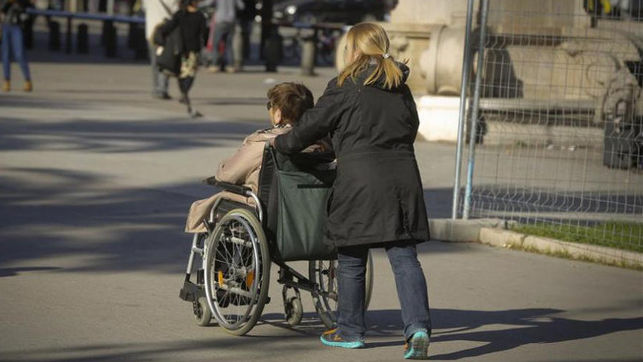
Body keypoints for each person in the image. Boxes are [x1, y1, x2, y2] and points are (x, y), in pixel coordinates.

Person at [272, 23, 432, 360]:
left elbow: (312, 125)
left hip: (360, 181)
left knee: (351, 258)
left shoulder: (346, 85)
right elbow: (411, 127)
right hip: (403, 179)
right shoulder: (399, 86)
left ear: (355, 50)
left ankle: (350, 330)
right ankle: (417, 328)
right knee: (404, 258)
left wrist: (284, 143)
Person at [185, 82, 321, 233]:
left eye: (270, 106)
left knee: (215, 208)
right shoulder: (321, 144)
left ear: (278, 114)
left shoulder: (264, 142)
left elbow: (227, 175)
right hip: (310, 216)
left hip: (268, 216)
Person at [160, 0, 207, 117]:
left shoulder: (180, 14)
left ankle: (183, 93)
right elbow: (204, 33)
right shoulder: (200, 16)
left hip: (180, 48)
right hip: (192, 50)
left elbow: (168, 27)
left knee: (181, 73)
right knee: (190, 74)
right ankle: (184, 92)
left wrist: (162, 35)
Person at [144, 0, 178, 99]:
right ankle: (162, 89)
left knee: (155, 61)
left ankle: (156, 87)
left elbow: (144, 8)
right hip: (164, 31)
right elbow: (175, 9)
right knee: (164, 60)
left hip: (150, 31)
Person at [1, 0, 32, 92]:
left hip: (17, 26)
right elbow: (3, 10)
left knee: (19, 54)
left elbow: (27, 8)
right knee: (5, 55)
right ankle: (7, 80)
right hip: (5, 26)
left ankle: (27, 80)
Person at [206, 0, 243, 73]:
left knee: (215, 44)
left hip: (220, 20)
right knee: (229, 45)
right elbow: (241, 6)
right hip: (231, 21)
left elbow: (208, 3)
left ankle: (214, 65)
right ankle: (230, 65)